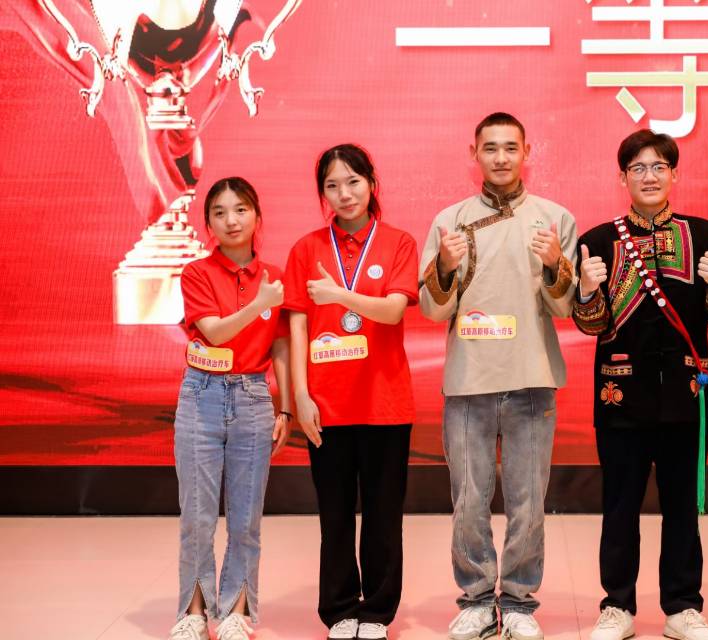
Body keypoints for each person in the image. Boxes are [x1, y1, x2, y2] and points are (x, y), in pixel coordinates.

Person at [573, 130, 708, 640]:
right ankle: (617, 606)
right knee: (619, 506)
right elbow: (591, 324)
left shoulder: (706, 235)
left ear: (675, 174)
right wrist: (587, 290)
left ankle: (683, 607)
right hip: (619, 395)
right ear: (622, 177)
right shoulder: (597, 241)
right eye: (638, 168)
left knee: (683, 508)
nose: (649, 177)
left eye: (659, 167)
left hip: (686, 397)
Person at [419, 112, 577, 640]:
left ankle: (519, 601)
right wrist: (444, 266)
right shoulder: (450, 221)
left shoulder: (554, 219)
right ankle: (476, 599)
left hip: (532, 377)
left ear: (527, 152)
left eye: (511, 147)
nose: (502, 158)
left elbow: (565, 308)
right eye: (491, 148)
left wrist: (555, 263)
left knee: (529, 501)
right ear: (475, 154)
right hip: (468, 382)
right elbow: (433, 310)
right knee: (469, 499)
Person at [283, 144, 419, 640]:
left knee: (383, 515)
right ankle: (340, 608)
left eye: (353, 182)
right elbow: (297, 326)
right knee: (335, 514)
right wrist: (300, 396)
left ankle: (377, 611)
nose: (344, 194)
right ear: (322, 193)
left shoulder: (399, 242)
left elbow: (393, 310)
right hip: (327, 403)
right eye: (332, 186)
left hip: (385, 402)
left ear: (372, 184)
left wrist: (339, 295)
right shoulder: (306, 249)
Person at [169, 176, 291, 640]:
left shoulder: (274, 277)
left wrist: (285, 409)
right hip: (201, 395)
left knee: (245, 518)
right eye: (219, 213)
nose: (231, 220)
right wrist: (260, 304)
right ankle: (194, 611)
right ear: (208, 225)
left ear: (257, 216)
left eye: (240, 209)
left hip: (254, 397)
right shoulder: (197, 273)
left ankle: (237, 609)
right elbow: (216, 332)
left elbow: (281, 346)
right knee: (197, 516)